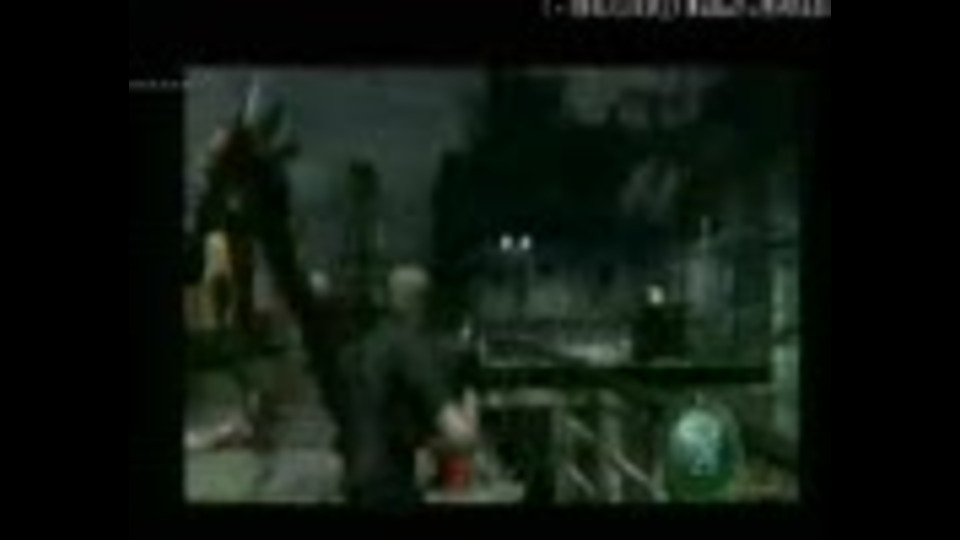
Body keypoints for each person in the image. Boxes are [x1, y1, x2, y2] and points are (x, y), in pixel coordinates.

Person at [206, 119, 476, 505]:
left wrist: (260, 196)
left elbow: (290, 280)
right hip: (390, 490)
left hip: (350, 486)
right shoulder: (408, 347)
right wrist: (422, 437)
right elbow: (462, 437)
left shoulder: (340, 351)